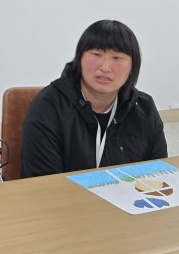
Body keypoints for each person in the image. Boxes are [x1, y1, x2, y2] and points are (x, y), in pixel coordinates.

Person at [21, 19, 167, 177]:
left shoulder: (144, 108)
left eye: (117, 58)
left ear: (132, 67)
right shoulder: (48, 108)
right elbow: (44, 185)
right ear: (79, 58)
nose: (105, 67)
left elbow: (158, 175)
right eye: (97, 54)